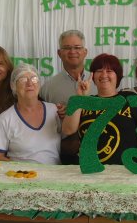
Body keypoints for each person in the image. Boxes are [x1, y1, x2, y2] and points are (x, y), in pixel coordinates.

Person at [62, 54, 137, 165]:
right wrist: (80, 97)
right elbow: (68, 130)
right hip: (90, 170)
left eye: (109, 71)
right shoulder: (84, 102)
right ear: (93, 76)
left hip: (125, 171)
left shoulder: (131, 99)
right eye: (99, 71)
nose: (104, 75)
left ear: (118, 76)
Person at [40, 29, 96, 163]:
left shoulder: (99, 82)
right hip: (64, 153)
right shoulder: (47, 88)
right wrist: (55, 114)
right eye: (67, 48)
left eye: (77, 47)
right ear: (59, 53)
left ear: (85, 52)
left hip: (99, 149)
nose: (72, 51)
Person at [0, 63, 62, 164]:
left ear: (39, 84)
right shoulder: (5, 119)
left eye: (34, 79)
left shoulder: (54, 110)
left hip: (54, 172)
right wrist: (22, 169)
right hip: (22, 174)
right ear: (13, 86)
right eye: (23, 79)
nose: (29, 83)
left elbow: (69, 141)